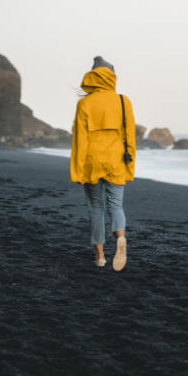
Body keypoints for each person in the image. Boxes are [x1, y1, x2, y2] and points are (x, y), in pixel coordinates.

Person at [70, 56, 136, 271]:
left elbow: (80, 140)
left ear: (93, 75)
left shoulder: (85, 103)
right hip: (116, 160)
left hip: (92, 161)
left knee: (96, 208)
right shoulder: (123, 101)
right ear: (112, 76)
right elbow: (130, 138)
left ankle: (100, 256)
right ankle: (120, 237)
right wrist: (130, 168)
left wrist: (77, 171)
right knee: (116, 205)